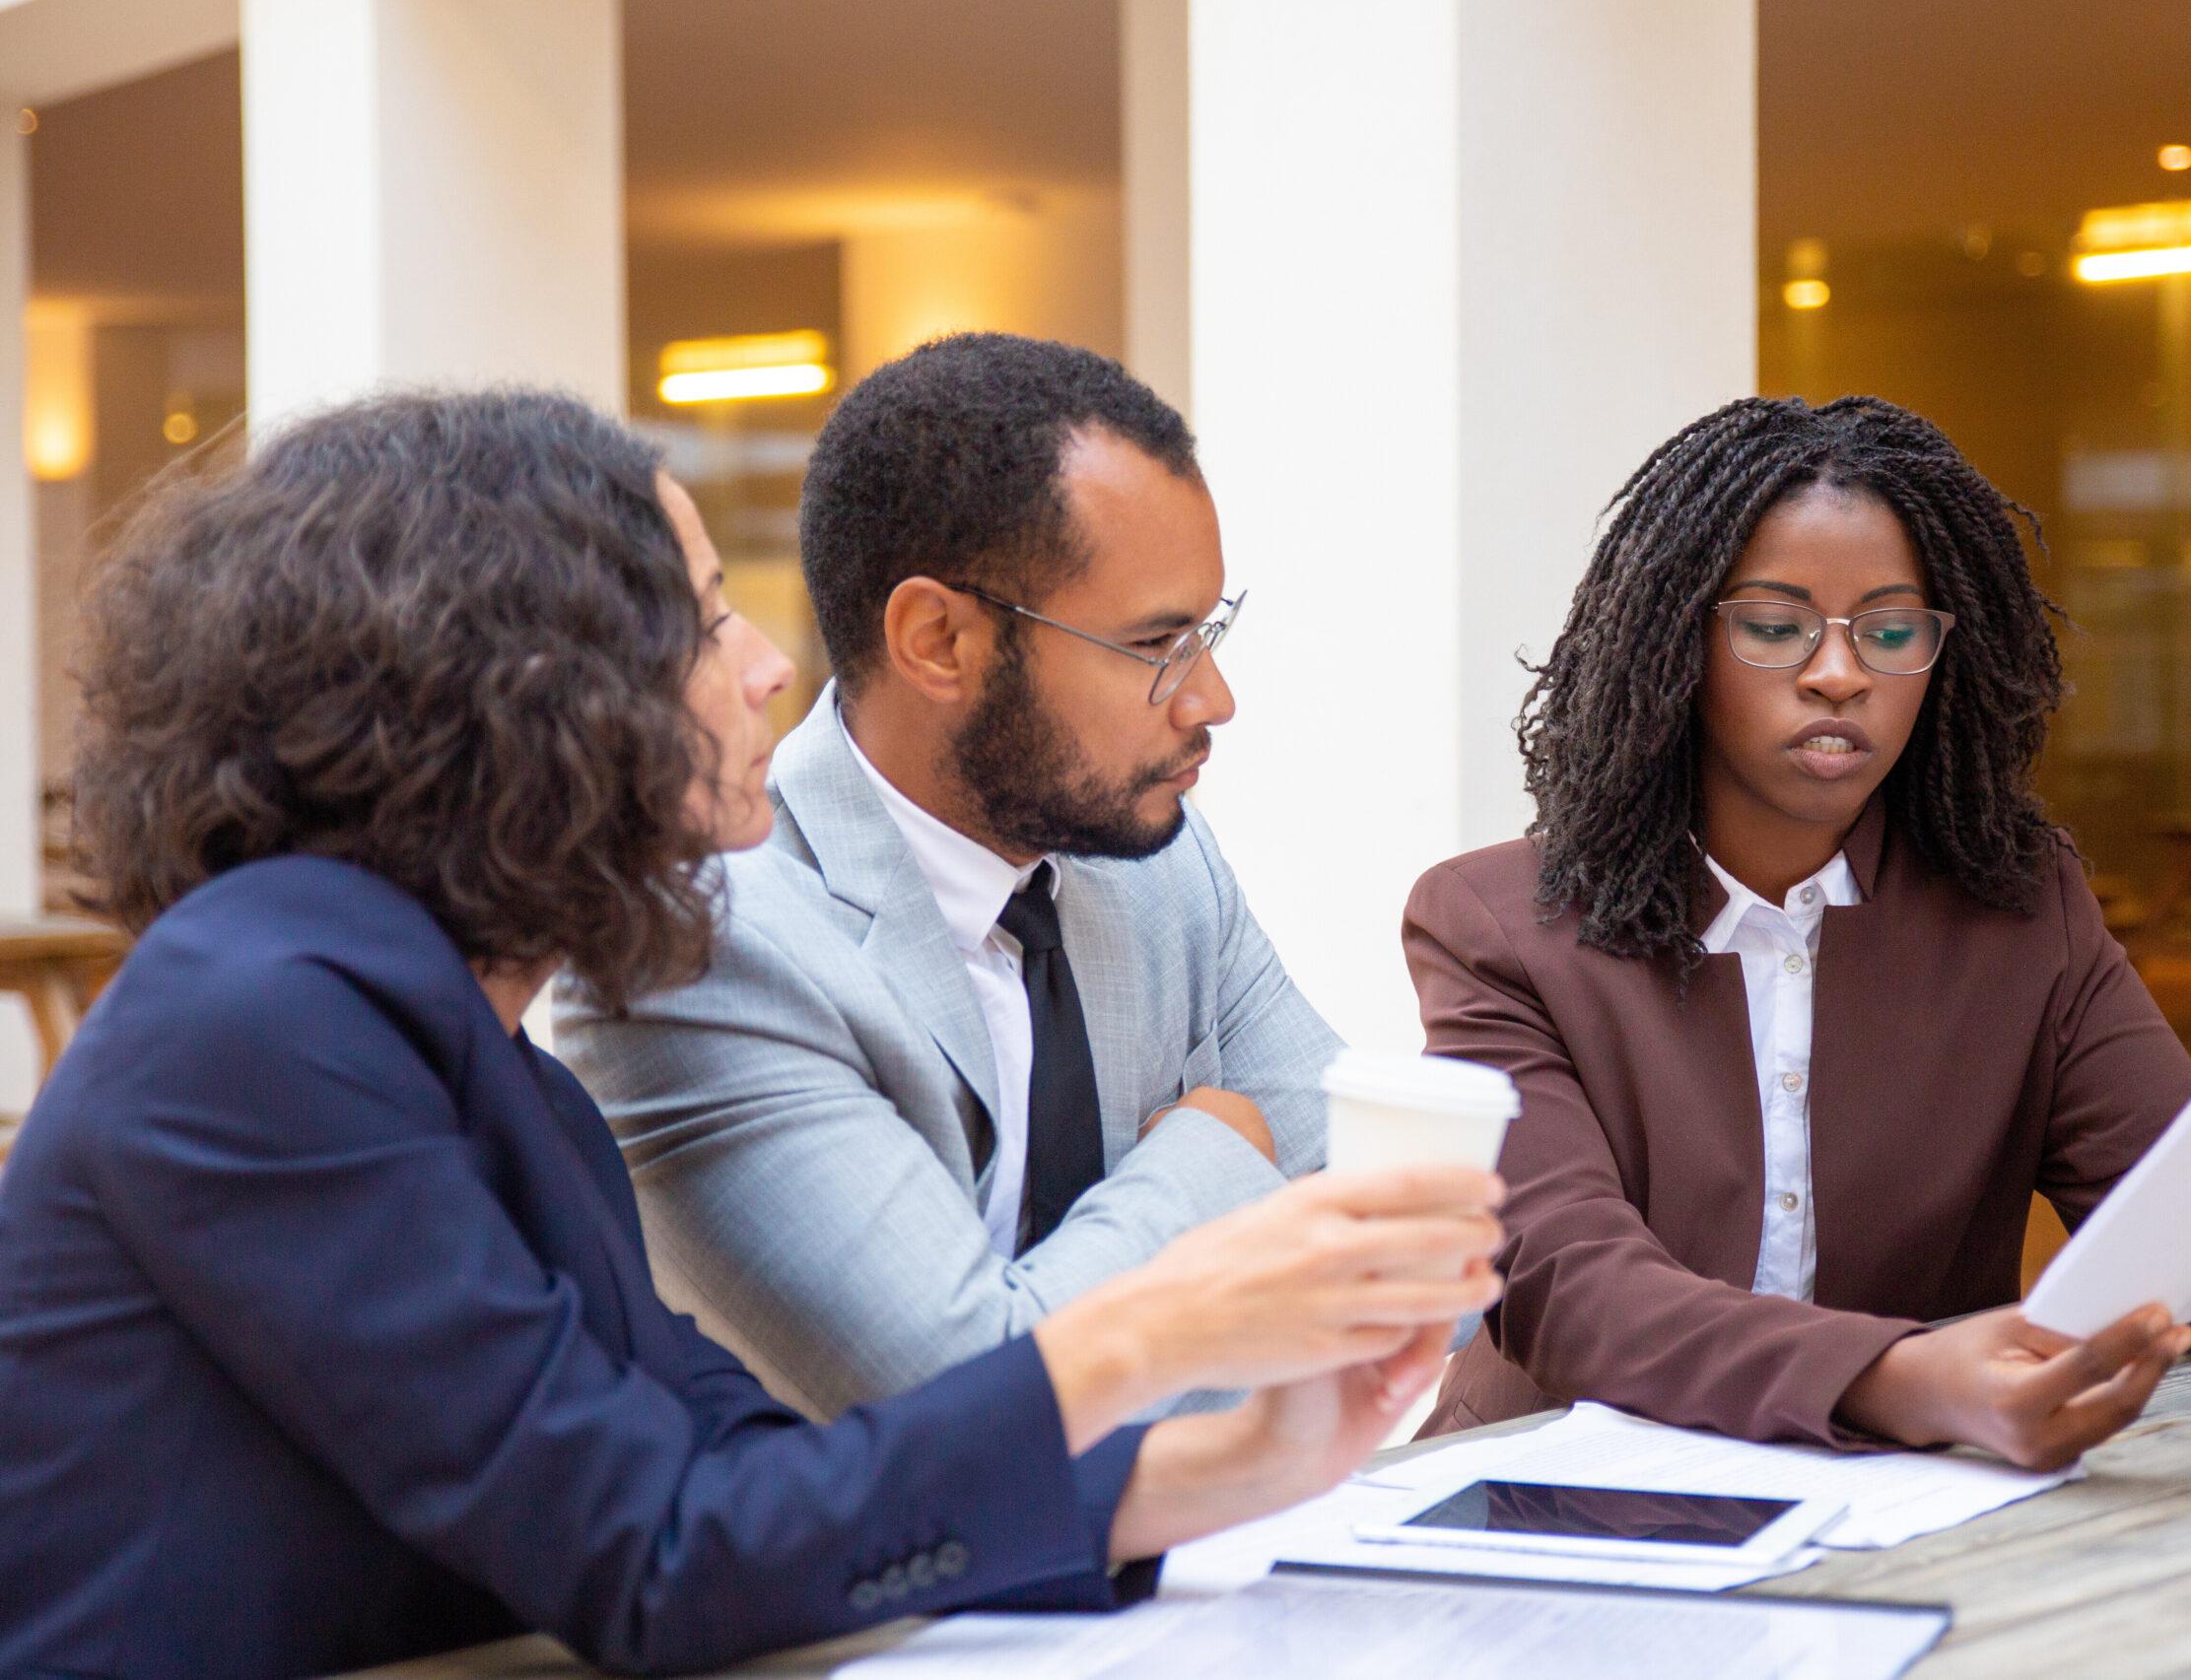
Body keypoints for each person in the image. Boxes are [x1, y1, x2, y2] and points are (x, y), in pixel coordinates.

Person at [0, 389, 1502, 1679]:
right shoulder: (258, 1024)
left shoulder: (495, 1074)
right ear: (523, 687)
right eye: (709, 617)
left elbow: (751, 1483)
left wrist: (1236, 1464)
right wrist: (1164, 1320)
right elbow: (651, 1556)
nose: (768, 668)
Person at [1403, 394, 2191, 1468]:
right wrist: (1902, 1378)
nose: (1838, 672)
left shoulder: (2020, 916)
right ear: (1675, 642)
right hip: (1552, 1501)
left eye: (1891, 629)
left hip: (1915, 1509)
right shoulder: (1498, 928)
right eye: (1774, 627)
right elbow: (1575, 1295)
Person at [561, 333, 1339, 1419]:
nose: (1210, 698)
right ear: (937, 641)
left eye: (1208, 630)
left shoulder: (1156, 860)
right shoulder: (707, 943)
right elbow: (971, 1404)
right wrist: (1213, 1158)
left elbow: (1391, 1244)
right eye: (1158, 644)